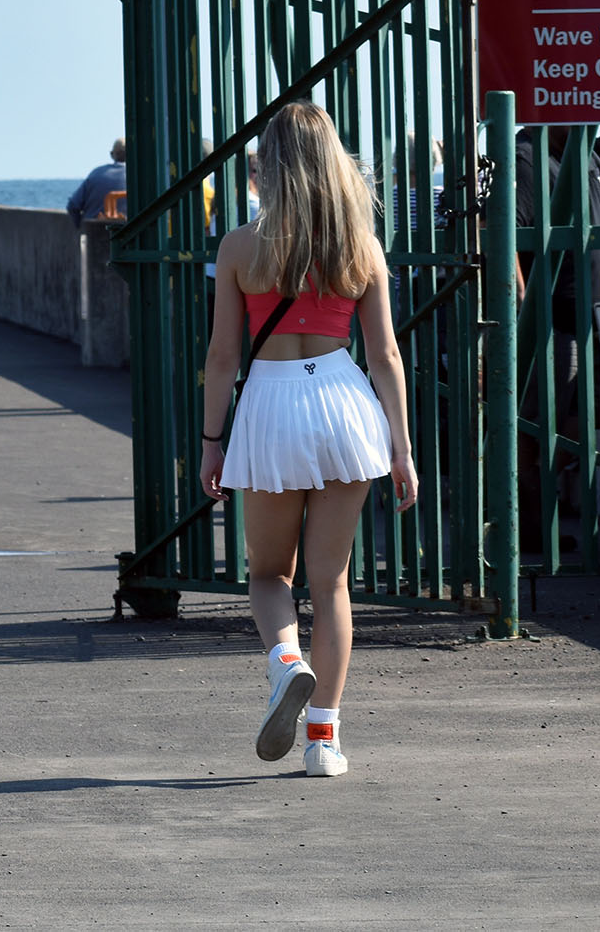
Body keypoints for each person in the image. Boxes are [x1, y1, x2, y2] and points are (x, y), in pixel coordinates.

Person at [199, 102, 414, 780]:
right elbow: (384, 355)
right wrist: (402, 447)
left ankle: (287, 662)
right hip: (346, 403)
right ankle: (324, 740)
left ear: (269, 167)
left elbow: (222, 356)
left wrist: (211, 441)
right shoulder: (361, 246)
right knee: (332, 582)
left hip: (272, 402)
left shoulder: (240, 245)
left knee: (269, 573)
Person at [65, 139, 128, 225]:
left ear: (113, 155)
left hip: (95, 233)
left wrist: (79, 227)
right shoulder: (138, 175)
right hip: (130, 232)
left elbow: (73, 206)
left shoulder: (96, 173)